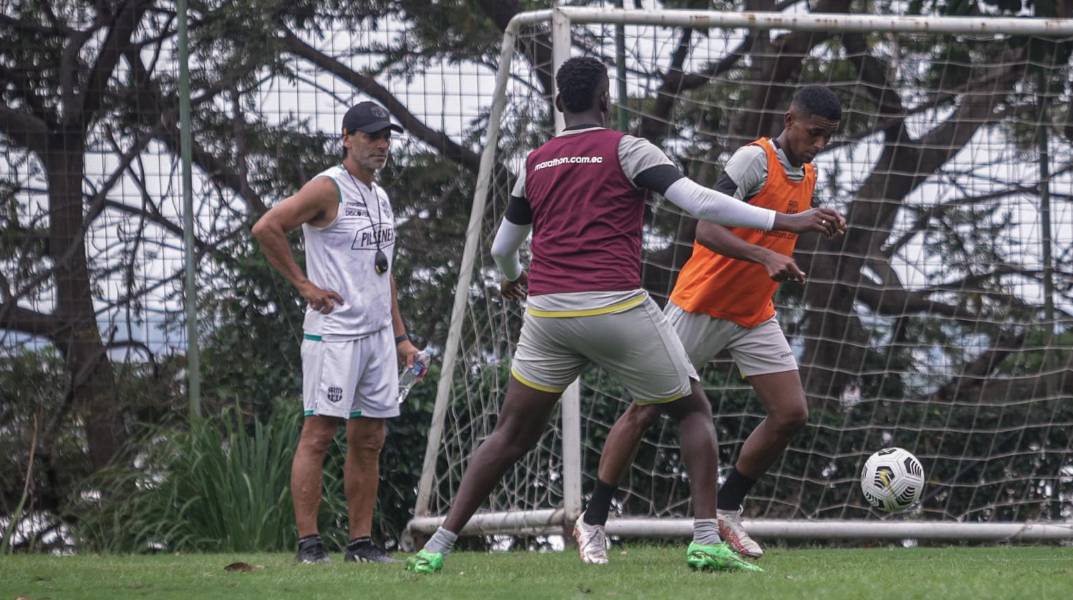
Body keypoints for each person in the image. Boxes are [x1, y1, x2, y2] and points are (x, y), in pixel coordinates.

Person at [405, 57, 838, 574]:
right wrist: (787, 221)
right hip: (614, 306)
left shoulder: (536, 161)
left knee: (509, 435)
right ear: (607, 101)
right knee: (693, 410)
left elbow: (502, 246)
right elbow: (699, 202)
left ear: (561, 103)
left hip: (545, 314)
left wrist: (510, 277)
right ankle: (703, 538)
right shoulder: (628, 149)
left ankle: (438, 546)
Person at [575, 86, 845, 562]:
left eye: (828, 137)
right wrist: (764, 254)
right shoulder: (752, 160)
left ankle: (727, 509)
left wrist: (807, 230)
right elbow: (705, 226)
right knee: (646, 410)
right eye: (814, 133)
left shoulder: (808, 174)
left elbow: (782, 229)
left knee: (792, 414)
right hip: (700, 305)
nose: (819, 143)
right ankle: (593, 518)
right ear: (789, 119)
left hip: (754, 313)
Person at [251, 101, 423, 564]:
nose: (381, 145)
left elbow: (382, 272)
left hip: (377, 337)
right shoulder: (328, 187)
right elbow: (267, 227)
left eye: (386, 136)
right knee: (320, 433)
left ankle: (361, 544)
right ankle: (309, 545)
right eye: (371, 136)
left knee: (369, 440)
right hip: (334, 336)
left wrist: (402, 338)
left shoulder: (381, 197)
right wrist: (303, 285)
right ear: (347, 138)